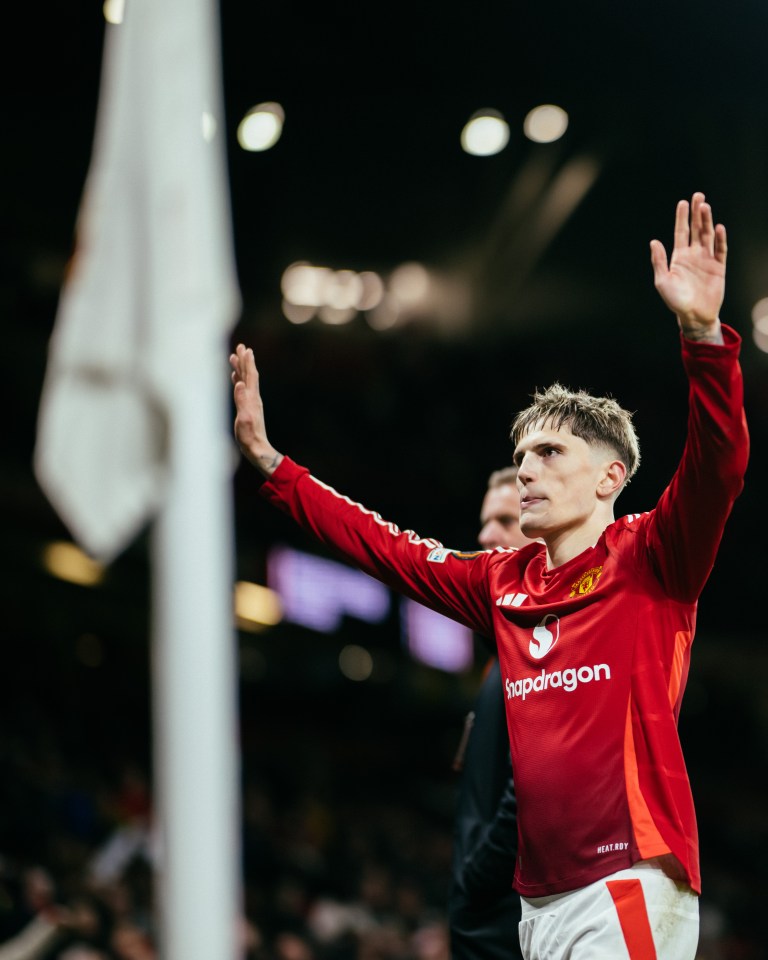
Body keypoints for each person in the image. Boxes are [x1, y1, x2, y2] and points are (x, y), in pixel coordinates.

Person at [230, 192, 749, 959]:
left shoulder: (652, 558)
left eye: (550, 455)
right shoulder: (501, 582)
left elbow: (718, 466)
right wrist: (275, 469)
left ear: (610, 478)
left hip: (629, 881)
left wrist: (704, 336)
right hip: (536, 904)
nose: (527, 472)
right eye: (522, 456)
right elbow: (385, 546)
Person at [449, 467, 532, 960]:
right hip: (487, 913)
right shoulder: (497, 652)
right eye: (485, 521)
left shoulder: (540, 649)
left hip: (507, 913)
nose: (484, 536)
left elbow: (535, 781)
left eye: (504, 519)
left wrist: (478, 878)